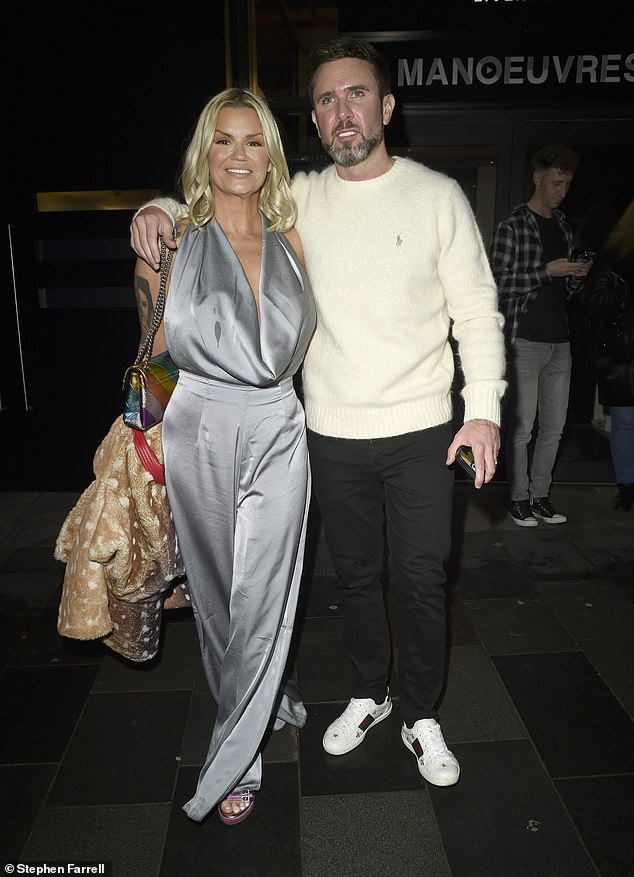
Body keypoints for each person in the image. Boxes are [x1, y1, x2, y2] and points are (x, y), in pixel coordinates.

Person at [130, 37, 506, 789]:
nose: (343, 111)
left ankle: (421, 711)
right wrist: (154, 207)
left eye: (357, 94)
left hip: (424, 428)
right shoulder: (302, 200)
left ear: (387, 106)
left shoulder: (437, 196)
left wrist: (484, 409)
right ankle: (370, 691)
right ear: (316, 118)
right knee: (355, 575)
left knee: (425, 576)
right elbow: (225, 191)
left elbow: (478, 311)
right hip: (328, 430)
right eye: (328, 100)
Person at [132, 87, 316, 825]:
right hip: (198, 425)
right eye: (224, 140)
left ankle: (233, 757)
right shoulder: (170, 239)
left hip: (280, 424)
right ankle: (264, 697)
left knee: (264, 593)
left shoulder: (296, 239)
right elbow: (154, 355)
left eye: (254, 140)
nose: (238, 155)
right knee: (216, 598)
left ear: (271, 153)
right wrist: (137, 438)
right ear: (204, 152)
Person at [489, 144, 592, 527]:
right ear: (538, 177)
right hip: (525, 341)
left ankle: (540, 496)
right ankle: (518, 499)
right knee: (522, 429)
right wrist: (547, 271)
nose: (561, 191)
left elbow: (562, 293)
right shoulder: (513, 226)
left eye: (566, 184)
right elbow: (496, 284)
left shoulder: (563, 226)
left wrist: (574, 277)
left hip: (559, 342)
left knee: (554, 428)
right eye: (556, 182)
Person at [582, 197, 634, 511]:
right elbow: (595, 303)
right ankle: (626, 486)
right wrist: (625, 291)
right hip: (624, 352)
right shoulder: (613, 257)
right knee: (626, 421)